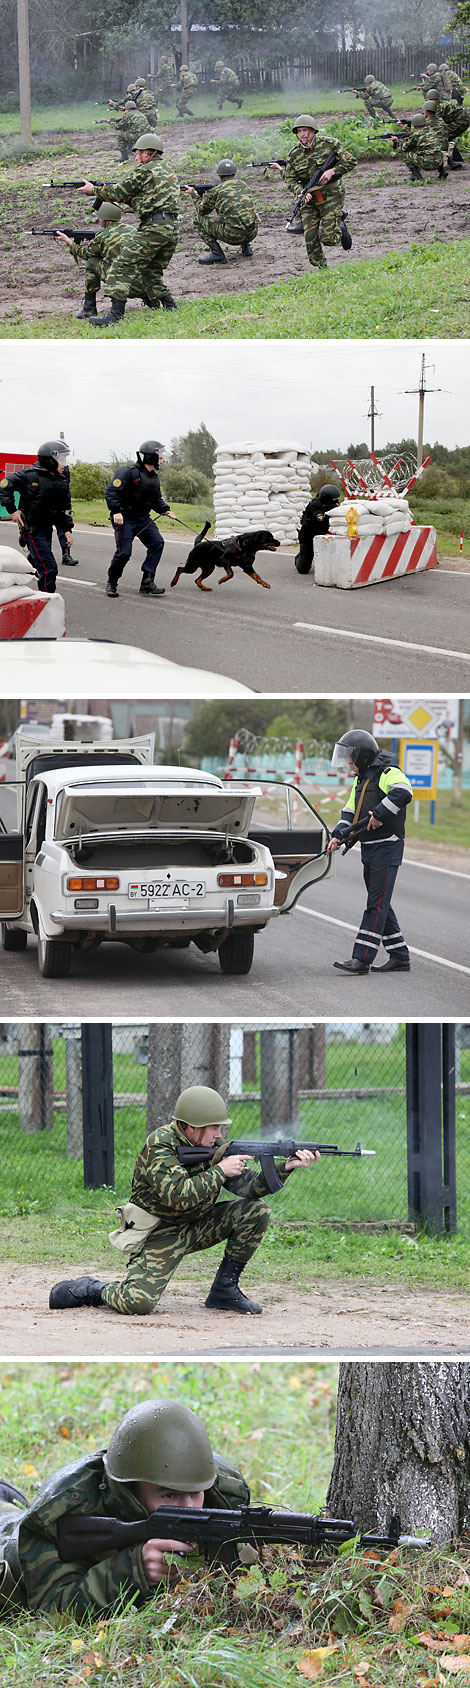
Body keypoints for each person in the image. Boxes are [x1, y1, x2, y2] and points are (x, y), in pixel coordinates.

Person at [49, 1085, 319, 1315]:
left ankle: (224, 1290)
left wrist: (286, 1167)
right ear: (190, 1127)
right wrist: (219, 1170)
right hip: (159, 1232)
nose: (218, 1135)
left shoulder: (213, 1148)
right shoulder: (160, 1145)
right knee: (138, 1303)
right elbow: (178, 1196)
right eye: (213, 1127)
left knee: (255, 1211)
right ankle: (93, 1289)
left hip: (197, 1224)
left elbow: (251, 1188)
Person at [0, 1399, 249, 1616]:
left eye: (195, 1493)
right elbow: (55, 1612)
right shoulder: (61, 1513)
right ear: (129, 1491)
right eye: (169, 1495)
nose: (189, 1509)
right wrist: (133, 1569)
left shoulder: (215, 1484)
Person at [327, 729, 413, 975]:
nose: (349, 764)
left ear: (363, 756)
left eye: (351, 758)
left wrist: (379, 813)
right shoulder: (362, 779)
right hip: (370, 847)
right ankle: (399, 956)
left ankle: (361, 959)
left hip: (388, 846)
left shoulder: (389, 773)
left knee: (376, 904)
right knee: (381, 902)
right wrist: (338, 835)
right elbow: (349, 812)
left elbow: (404, 792)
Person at [78, 132, 180, 324]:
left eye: (138, 153)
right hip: (171, 228)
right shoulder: (168, 171)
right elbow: (153, 200)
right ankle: (170, 305)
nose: (135, 157)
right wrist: (131, 200)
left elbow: (119, 190)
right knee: (151, 270)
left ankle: (115, 316)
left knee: (121, 265)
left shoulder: (145, 170)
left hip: (154, 228)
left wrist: (94, 190)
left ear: (148, 154)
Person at [274, 114, 355, 271]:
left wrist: (333, 171)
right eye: (299, 131)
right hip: (308, 199)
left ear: (313, 131)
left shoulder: (329, 144)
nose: (303, 134)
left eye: (305, 130)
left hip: (331, 195)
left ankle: (341, 226)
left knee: (329, 239)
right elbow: (290, 179)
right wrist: (300, 192)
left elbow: (351, 161)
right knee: (310, 238)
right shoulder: (294, 154)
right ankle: (323, 269)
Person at [103, 439, 176, 597]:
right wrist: (116, 511)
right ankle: (112, 582)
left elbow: (156, 500)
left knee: (157, 543)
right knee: (124, 553)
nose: (162, 460)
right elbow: (111, 492)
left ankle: (147, 582)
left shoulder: (153, 478)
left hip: (143, 519)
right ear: (151, 457)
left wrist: (166, 510)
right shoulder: (128, 472)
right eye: (160, 457)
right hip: (125, 520)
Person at [0, 440, 74, 594]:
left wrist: (67, 529)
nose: (64, 463)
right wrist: (12, 510)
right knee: (49, 567)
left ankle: (20, 578)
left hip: (47, 527)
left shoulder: (61, 479)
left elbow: (65, 506)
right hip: (32, 529)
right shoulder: (29, 475)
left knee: (36, 558)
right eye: (62, 459)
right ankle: (48, 602)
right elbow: (4, 487)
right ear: (50, 459)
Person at [56, 202, 126, 322]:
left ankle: (89, 308)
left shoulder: (103, 236)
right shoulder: (132, 230)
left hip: (121, 284)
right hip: (141, 282)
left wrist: (69, 242)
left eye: (99, 217)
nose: (98, 219)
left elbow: (86, 254)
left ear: (106, 219)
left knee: (91, 261)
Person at [184, 159, 258, 264]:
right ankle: (246, 247)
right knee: (243, 213)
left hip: (233, 236)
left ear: (219, 176)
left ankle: (217, 254)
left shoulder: (216, 190)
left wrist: (195, 195)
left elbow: (202, 211)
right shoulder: (244, 185)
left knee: (198, 220)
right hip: (252, 233)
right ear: (234, 173)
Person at [294, 484, 341, 573]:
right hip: (308, 536)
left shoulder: (334, 504)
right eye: (334, 499)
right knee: (303, 569)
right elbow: (321, 520)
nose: (336, 500)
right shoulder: (315, 505)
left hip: (322, 533)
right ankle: (300, 556)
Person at [396, 111, 446, 180]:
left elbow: (405, 148)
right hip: (439, 162)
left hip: (427, 164)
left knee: (406, 153)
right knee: (435, 151)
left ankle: (416, 175)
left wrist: (397, 141)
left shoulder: (416, 134)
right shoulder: (431, 131)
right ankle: (442, 173)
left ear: (414, 124)